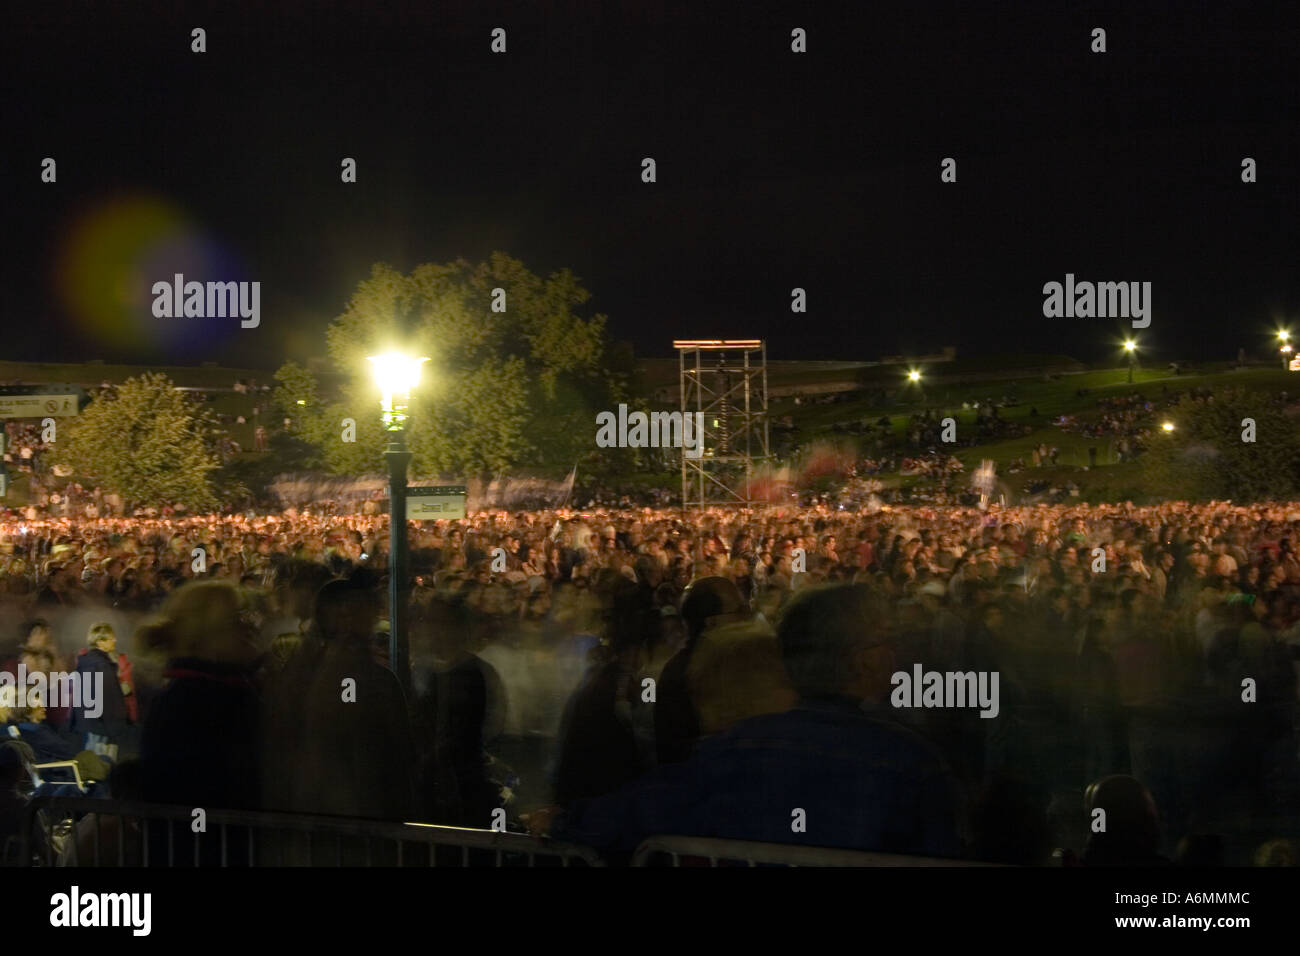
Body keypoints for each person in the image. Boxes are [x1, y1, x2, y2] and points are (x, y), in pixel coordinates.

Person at [542, 584, 963, 859]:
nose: (896, 652)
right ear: (860, 658)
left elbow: (636, 812)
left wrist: (561, 821)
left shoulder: (732, 750)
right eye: (887, 640)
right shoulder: (910, 762)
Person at [70, 622, 131, 761]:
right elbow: (108, 698)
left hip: (90, 722)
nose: (114, 640)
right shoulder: (102, 664)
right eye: (110, 638)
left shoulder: (86, 662)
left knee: (91, 759)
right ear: (100, 641)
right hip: (103, 724)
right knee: (103, 762)